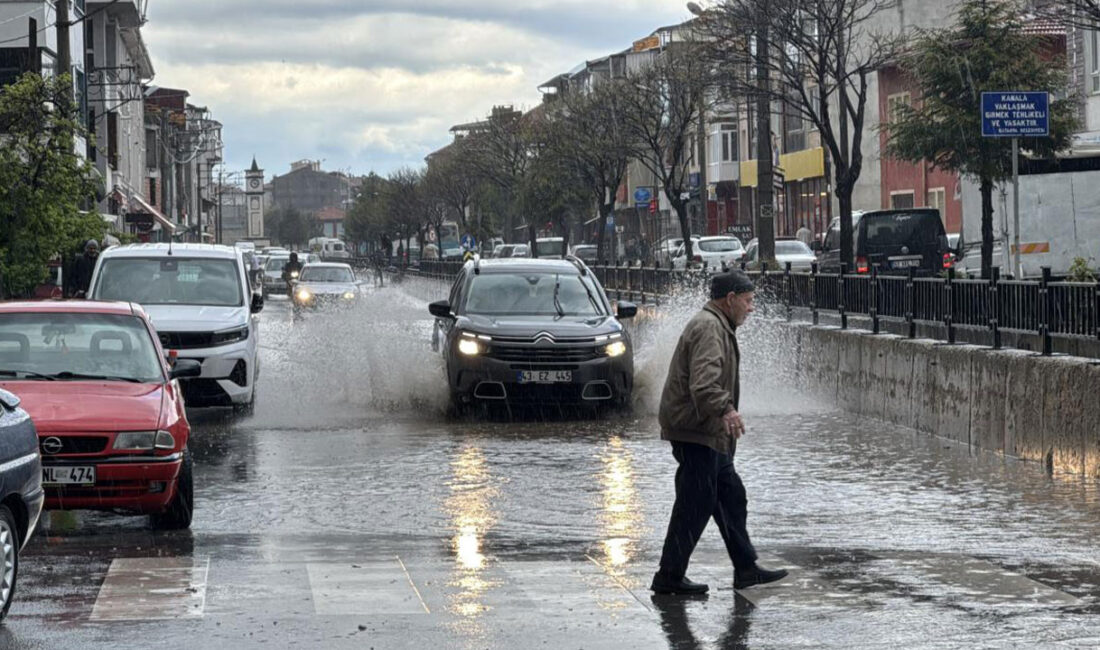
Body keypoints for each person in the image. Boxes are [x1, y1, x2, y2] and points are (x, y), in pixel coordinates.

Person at [651, 270, 788, 595]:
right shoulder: (710, 329)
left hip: (705, 430)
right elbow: (703, 383)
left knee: (730, 496)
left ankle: (745, 569)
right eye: (748, 301)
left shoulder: (716, 324)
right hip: (696, 430)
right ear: (730, 299)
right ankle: (669, 577)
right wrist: (726, 409)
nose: (751, 308)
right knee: (695, 504)